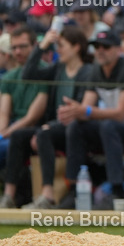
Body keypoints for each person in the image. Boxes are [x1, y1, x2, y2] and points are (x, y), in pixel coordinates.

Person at [56, 30, 124, 205]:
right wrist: (73, 112)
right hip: (120, 132)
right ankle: (74, 189)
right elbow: (85, 110)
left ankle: (117, 190)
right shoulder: (96, 69)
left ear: (118, 50)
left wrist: (85, 111)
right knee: (76, 127)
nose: (100, 50)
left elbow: (119, 114)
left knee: (109, 125)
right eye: (96, 47)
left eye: (105, 47)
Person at [6, 27, 93, 209]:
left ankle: (47, 196)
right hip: (55, 125)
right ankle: (8, 196)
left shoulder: (88, 72)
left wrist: (53, 124)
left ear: (76, 47)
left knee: (44, 133)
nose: (57, 50)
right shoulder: (58, 68)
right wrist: (42, 45)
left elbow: (80, 111)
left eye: (61, 45)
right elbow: (28, 75)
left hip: (74, 127)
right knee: (18, 135)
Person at [0, 26, 48, 175]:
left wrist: (5, 133)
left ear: (34, 46)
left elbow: (32, 118)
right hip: (11, 128)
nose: (18, 52)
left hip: (32, 129)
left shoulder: (45, 72)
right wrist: (2, 132)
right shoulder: (9, 77)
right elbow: (4, 113)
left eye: (22, 46)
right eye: (14, 48)